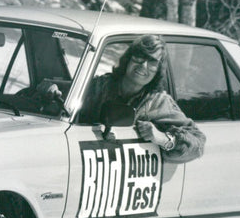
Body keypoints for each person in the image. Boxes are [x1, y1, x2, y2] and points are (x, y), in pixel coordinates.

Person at [79, 35, 206, 163]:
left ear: (158, 70)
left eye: (152, 61)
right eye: (139, 56)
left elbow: (198, 143)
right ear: (128, 58)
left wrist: (162, 139)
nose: (143, 65)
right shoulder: (99, 86)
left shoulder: (158, 102)